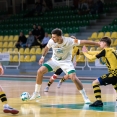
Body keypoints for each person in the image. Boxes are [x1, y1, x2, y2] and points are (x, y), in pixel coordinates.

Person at [29, 28, 99, 104]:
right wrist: (42, 57)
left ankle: (85, 97)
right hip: (54, 61)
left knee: (73, 77)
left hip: (66, 62)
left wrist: (97, 44)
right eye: (52, 37)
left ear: (60, 36)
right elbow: (46, 48)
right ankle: (36, 93)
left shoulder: (69, 41)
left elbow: (83, 42)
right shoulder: (51, 41)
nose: (52, 38)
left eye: (54, 37)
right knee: (40, 71)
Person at [82, 36, 117, 107]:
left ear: (104, 43)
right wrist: (87, 51)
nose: (99, 43)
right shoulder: (111, 50)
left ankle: (98, 101)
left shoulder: (105, 51)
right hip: (115, 74)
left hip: (114, 74)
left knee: (95, 83)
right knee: (115, 85)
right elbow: (97, 52)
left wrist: (85, 53)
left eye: (100, 42)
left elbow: (91, 58)